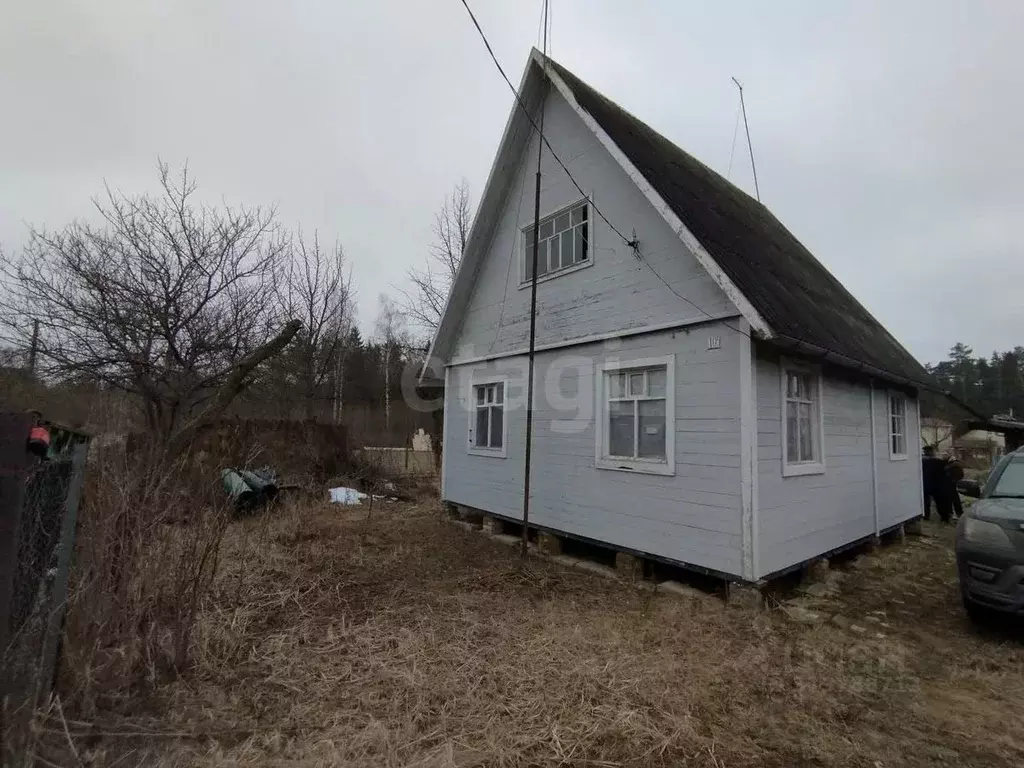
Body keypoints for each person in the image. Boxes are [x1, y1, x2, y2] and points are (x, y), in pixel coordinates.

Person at [921, 445, 951, 522]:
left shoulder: (921, 461)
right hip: (936, 486)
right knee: (940, 502)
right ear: (932, 452)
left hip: (925, 484)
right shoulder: (938, 461)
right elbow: (948, 466)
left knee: (925, 501)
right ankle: (944, 517)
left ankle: (926, 516)